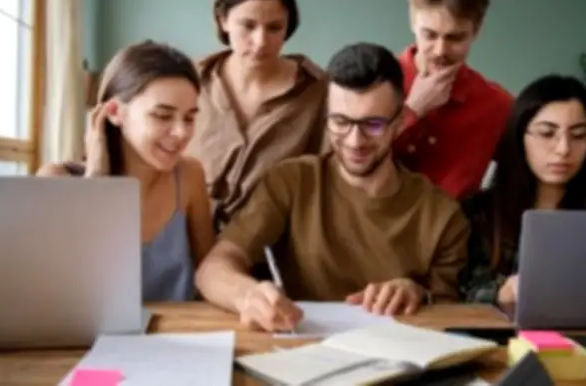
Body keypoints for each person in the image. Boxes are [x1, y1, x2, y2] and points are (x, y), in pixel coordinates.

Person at [195, 42, 469, 332]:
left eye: (373, 124)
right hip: (298, 350)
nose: (354, 141)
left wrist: (416, 293)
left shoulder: (442, 215)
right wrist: (247, 295)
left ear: (400, 122)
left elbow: (449, 316)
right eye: (340, 122)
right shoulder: (291, 182)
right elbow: (212, 269)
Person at [37, 41, 215, 302]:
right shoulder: (57, 180)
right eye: (163, 116)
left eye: (189, 118)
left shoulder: (189, 176)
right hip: (90, 340)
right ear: (114, 112)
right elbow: (57, 294)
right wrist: (96, 179)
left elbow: (211, 273)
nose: (182, 133)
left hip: (179, 335)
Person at [460, 74, 586, 308]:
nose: (563, 149)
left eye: (578, 135)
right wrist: (505, 291)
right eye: (546, 133)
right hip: (506, 338)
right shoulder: (479, 211)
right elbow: (462, 289)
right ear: (519, 136)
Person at [186, 0, 328, 230]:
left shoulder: (318, 91)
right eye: (248, 26)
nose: (261, 41)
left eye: (274, 28)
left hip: (270, 250)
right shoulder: (190, 80)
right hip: (182, 241)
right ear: (223, 20)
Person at [394, 0, 514, 200]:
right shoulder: (374, 83)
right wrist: (413, 110)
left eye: (455, 38)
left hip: (457, 232)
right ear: (413, 24)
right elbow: (348, 166)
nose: (440, 50)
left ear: (476, 31)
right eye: (429, 35)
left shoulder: (497, 105)